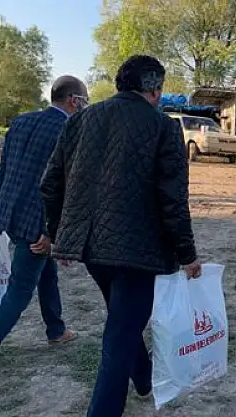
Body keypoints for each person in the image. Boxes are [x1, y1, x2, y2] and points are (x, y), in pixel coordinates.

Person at [41, 55, 202, 417]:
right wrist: (188, 255)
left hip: (92, 248)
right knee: (120, 335)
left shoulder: (80, 119)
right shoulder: (163, 127)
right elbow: (173, 199)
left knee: (123, 320)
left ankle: (143, 379)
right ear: (155, 89)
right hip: (138, 252)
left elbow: (50, 184)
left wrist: (60, 235)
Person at [0, 76, 87, 399]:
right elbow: (63, 188)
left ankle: (56, 329)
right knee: (18, 294)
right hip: (36, 224)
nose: (86, 105)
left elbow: (3, 169)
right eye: (85, 100)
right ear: (74, 100)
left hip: (10, 215)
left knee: (45, 270)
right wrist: (51, 233)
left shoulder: (22, 122)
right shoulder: (69, 129)